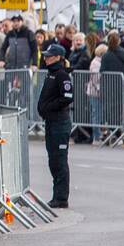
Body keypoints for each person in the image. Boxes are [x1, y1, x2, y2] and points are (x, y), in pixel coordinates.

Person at [37, 44, 74, 208]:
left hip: (60, 122)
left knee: (59, 160)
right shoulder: (50, 74)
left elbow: (67, 97)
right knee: (53, 159)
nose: (46, 58)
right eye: (45, 55)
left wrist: (49, 107)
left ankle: (61, 197)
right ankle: (56, 195)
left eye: (49, 56)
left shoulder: (62, 75)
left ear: (58, 57)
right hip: (51, 122)